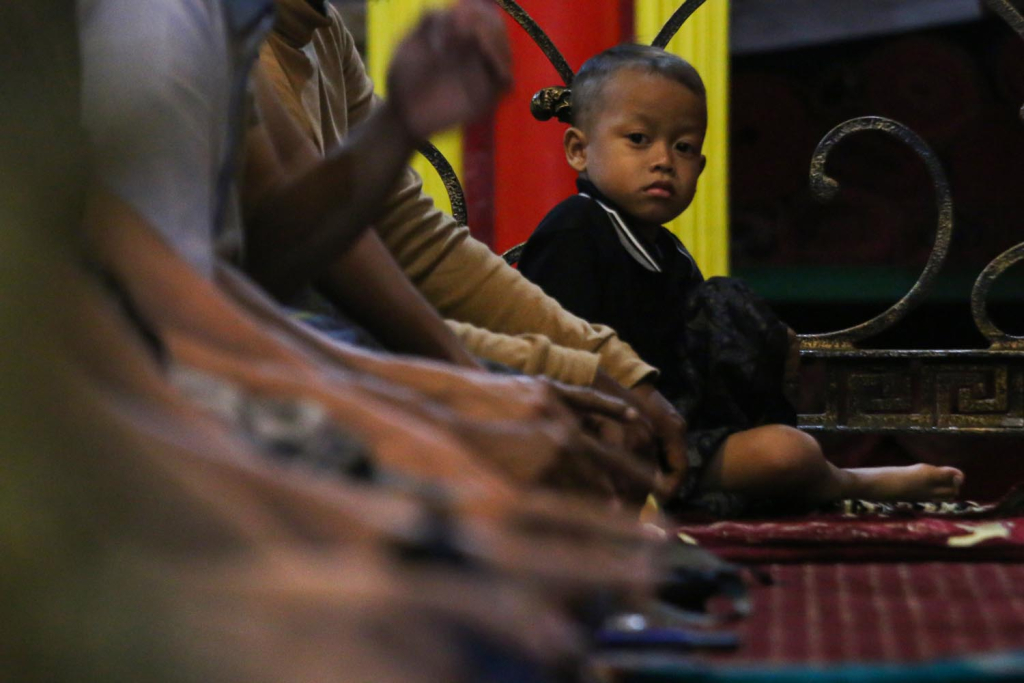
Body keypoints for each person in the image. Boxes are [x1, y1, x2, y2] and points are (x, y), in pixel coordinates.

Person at [251, 0, 689, 488]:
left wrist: (615, 370)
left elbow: (413, 237)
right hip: (265, 369)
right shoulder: (229, 35)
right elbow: (305, 280)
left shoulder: (317, 30)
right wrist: (539, 376)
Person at [518, 44, 964, 512]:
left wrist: (761, 345)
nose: (664, 159)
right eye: (638, 139)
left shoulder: (668, 252)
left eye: (683, 147)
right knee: (785, 454)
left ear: (701, 166)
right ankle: (848, 483)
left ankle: (807, 481)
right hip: (596, 439)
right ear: (579, 150)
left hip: (671, 433)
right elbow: (554, 354)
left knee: (781, 439)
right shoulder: (576, 230)